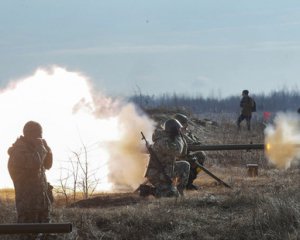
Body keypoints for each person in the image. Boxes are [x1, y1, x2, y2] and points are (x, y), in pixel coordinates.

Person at [8, 121, 53, 224]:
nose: (40, 138)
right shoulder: (18, 152)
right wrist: (40, 148)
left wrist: (48, 150)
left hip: (42, 209)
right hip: (28, 210)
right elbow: (34, 165)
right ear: (29, 134)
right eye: (38, 135)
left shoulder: (35, 151)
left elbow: (48, 165)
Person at [145, 119, 190, 197]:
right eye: (178, 129)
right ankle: (149, 190)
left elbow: (183, 153)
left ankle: (179, 191)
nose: (180, 130)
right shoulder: (163, 141)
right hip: (157, 173)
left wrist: (180, 137)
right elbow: (178, 151)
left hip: (166, 169)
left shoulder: (169, 139)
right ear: (174, 130)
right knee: (171, 195)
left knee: (185, 165)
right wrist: (179, 137)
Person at [174, 113, 206, 190]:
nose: (187, 125)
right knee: (189, 165)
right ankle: (184, 184)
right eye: (185, 123)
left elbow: (197, 142)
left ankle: (189, 182)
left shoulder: (186, 133)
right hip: (177, 158)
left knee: (201, 157)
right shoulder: (175, 133)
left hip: (185, 155)